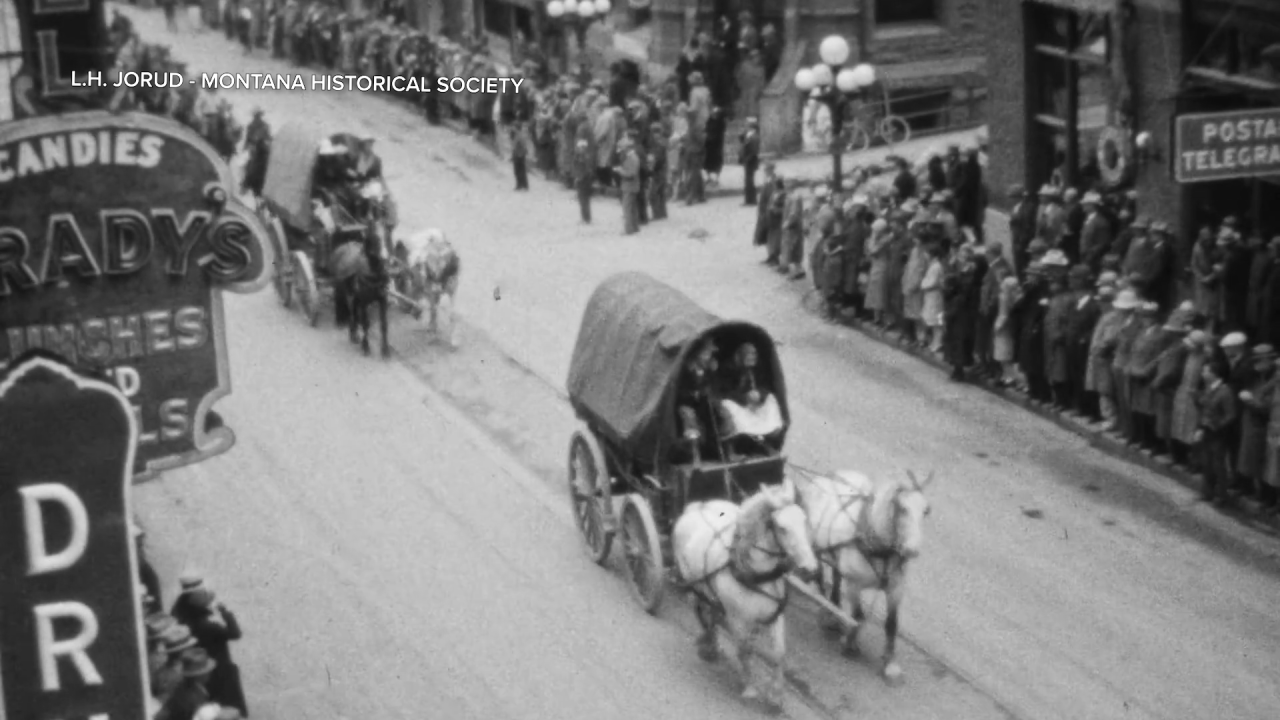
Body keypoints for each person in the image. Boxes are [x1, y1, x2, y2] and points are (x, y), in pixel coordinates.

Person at [1196, 358, 1238, 504]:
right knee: (1207, 462)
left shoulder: (1225, 391)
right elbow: (1204, 409)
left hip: (1218, 433)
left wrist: (1218, 426)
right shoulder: (1209, 389)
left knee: (1218, 465)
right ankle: (1207, 491)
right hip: (1208, 430)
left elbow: (1231, 415)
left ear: (1214, 374)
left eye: (1205, 371)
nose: (1202, 373)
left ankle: (1221, 495)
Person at [156, 648, 217, 720]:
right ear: (199, 675)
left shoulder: (194, 688)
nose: (209, 673)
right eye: (207, 671)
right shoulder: (189, 697)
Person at [617, 135, 642, 235]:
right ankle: (635, 227)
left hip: (629, 186)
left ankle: (629, 229)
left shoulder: (632, 158)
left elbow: (631, 173)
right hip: (633, 186)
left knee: (627, 208)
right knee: (632, 208)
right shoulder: (633, 157)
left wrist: (620, 171)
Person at [739, 117, 760, 206]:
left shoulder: (754, 136)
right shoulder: (749, 135)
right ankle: (749, 199)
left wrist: (747, 159)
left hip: (750, 161)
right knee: (748, 181)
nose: (746, 127)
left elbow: (754, 151)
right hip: (748, 160)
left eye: (747, 125)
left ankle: (751, 200)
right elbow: (741, 139)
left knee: (750, 182)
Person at [573, 138, 593, 224]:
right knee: (583, 200)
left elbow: (585, 170)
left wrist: (579, 178)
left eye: (580, 147)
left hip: (584, 180)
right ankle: (585, 217)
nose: (578, 149)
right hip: (583, 179)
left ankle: (586, 218)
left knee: (584, 199)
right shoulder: (582, 156)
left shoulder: (584, 157)